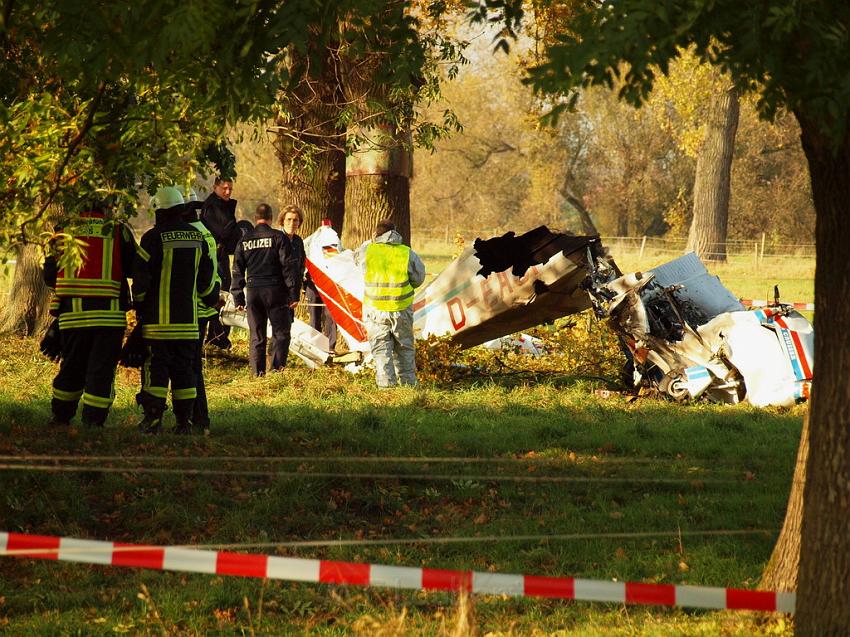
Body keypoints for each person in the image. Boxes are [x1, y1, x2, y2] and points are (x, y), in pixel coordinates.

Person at [133, 187, 219, 434]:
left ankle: (152, 419)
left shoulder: (152, 238)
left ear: (159, 211)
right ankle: (185, 422)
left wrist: (138, 304)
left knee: (156, 372)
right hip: (188, 325)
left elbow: (141, 280)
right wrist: (211, 298)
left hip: (158, 324)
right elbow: (206, 284)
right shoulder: (197, 237)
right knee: (184, 373)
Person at [43, 205, 138, 427]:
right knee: (101, 371)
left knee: (72, 367)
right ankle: (93, 422)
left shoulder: (62, 230)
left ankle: (61, 417)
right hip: (109, 318)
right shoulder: (117, 230)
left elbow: (49, 275)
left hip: (73, 316)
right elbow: (135, 268)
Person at [231, 203, 301, 376]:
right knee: (281, 333)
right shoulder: (278, 237)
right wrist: (293, 294)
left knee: (257, 335)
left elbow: (237, 270)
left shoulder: (244, 241)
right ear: (271, 219)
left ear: (255, 219)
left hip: (253, 291)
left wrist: (238, 297)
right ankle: (276, 370)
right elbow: (288, 267)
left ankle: (257, 373)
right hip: (275, 291)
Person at [355, 220, 425, 388]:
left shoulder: (367, 250)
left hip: (375, 310)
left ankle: (387, 390)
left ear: (376, 234)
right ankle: (408, 387)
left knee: (381, 351)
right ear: (395, 233)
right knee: (405, 349)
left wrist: (371, 241)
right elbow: (419, 278)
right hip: (401, 309)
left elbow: (356, 260)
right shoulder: (407, 253)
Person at [182, 189, 221, 435]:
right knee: (193, 366)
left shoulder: (192, 234)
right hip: (203, 309)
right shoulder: (206, 232)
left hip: (191, 310)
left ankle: (197, 419)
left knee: (189, 367)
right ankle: (198, 418)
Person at [200, 176, 239, 348]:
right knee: (220, 295)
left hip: (221, 255)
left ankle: (217, 336)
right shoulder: (211, 206)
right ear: (215, 187)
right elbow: (223, 231)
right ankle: (216, 336)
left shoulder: (222, 205)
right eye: (224, 188)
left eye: (230, 188)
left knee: (224, 292)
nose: (228, 192)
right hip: (214, 256)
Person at [301, 217, 338, 353]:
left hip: (327, 281)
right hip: (314, 281)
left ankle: (329, 346)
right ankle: (318, 346)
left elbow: (336, 258)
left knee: (329, 315)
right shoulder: (311, 241)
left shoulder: (333, 240)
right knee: (316, 314)